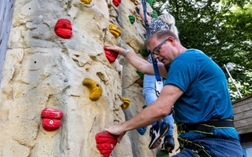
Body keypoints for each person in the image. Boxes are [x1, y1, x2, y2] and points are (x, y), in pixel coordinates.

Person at [104, 30, 242, 157]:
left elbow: (161, 108)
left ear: (171, 40)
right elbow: (146, 67)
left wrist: (122, 127)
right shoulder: (192, 60)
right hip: (211, 146)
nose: (157, 56)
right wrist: (124, 52)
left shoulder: (185, 60)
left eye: (158, 50)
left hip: (212, 146)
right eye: (154, 54)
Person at [136, 4, 178, 152]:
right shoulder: (173, 34)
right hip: (169, 66)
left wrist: (140, 8)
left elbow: (145, 18)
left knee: (149, 90)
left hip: (156, 62)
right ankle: (170, 136)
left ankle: (157, 124)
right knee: (165, 99)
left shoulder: (160, 25)